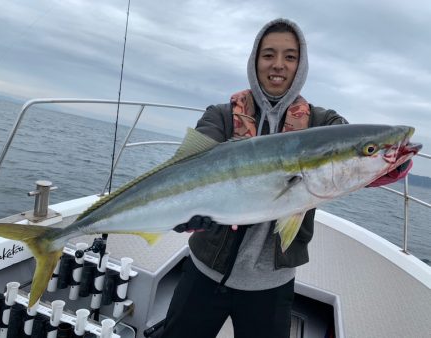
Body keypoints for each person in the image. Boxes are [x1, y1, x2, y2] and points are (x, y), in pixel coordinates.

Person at [159, 18, 412, 338]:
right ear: (255, 60)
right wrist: (184, 213)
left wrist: (393, 163)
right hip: (205, 270)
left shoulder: (324, 124)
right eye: (269, 55)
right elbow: (187, 167)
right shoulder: (221, 116)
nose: (278, 65)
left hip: (272, 284)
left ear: (301, 65)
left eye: (290, 57)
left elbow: (354, 161)